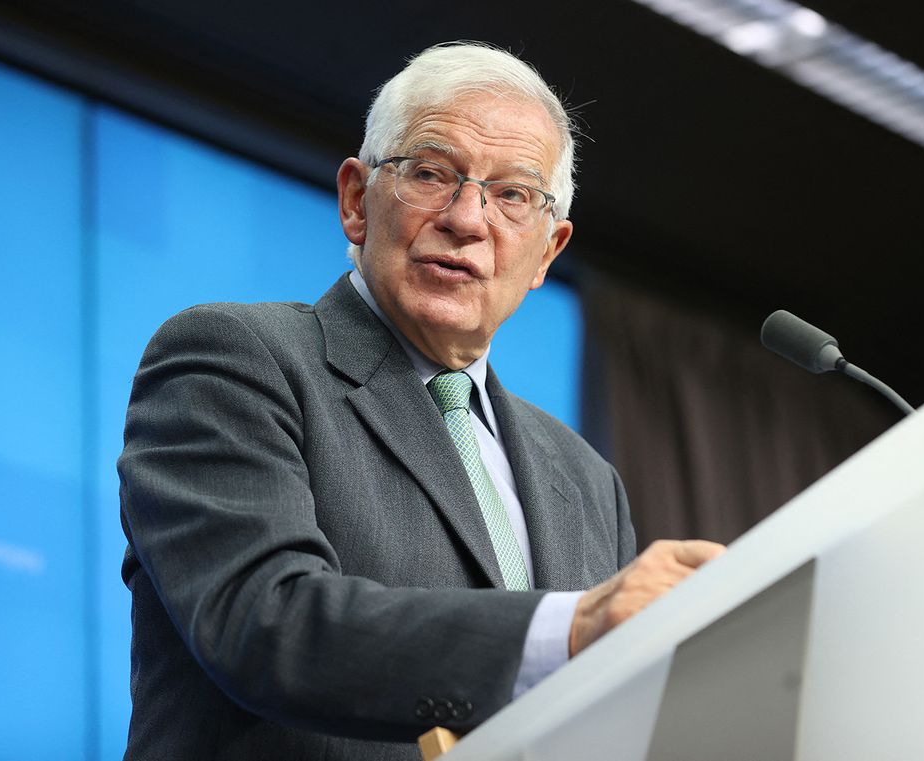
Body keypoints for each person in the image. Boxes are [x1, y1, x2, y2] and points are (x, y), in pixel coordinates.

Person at [117, 42, 724, 760]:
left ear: (547, 252)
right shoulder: (234, 358)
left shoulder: (586, 480)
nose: (468, 218)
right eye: (432, 173)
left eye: (512, 195)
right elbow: (266, 622)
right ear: (355, 199)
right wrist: (572, 626)